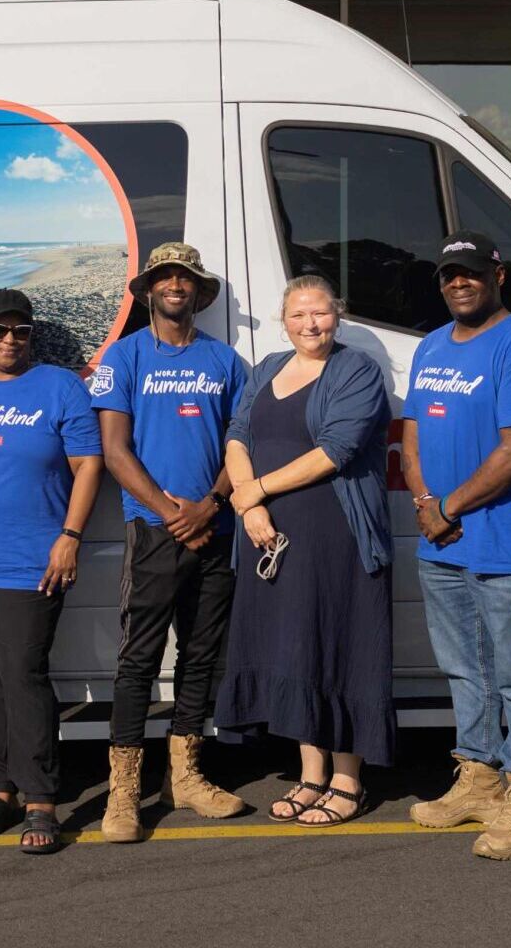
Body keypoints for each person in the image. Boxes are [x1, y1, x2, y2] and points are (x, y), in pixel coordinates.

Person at [398, 233, 511, 861]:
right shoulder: (433, 345)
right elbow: (410, 433)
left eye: (470, 273)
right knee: (464, 666)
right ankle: (479, 777)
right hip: (442, 543)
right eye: (448, 275)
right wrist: (423, 504)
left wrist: (449, 507)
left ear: (497, 275)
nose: (458, 283)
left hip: (505, 541)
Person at [217, 275, 395, 827]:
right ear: (283, 319)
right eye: (298, 315)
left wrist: (257, 491)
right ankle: (310, 775)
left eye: (319, 313)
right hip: (267, 535)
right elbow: (237, 435)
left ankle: (347, 780)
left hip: (335, 533)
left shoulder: (356, 370)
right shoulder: (267, 367)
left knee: (339, 646)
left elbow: (335, 451)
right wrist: (250, 508)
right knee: (294, 649)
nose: (309, 325)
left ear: (336, 315)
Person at [90, 242, 250, 843]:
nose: (175, 286)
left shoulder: (226, 361)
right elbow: (114, 450)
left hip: (216, 525)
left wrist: (210, 503)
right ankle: (124, 790)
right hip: (154, 530)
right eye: (165, 277)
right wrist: (169, 511)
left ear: (197, 291)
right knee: (137, 660)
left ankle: (186, 776)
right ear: (150, 290)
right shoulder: (125, 356)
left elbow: (242, 443)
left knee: (201, 657)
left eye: (185, 277)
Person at [0, 288, 103, 855]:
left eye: (21, 331)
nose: (10, 340)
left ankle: (41, 797)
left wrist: (70, 537)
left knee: (22, 675)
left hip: (31, 561)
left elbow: (87, 466)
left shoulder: (59, 387)